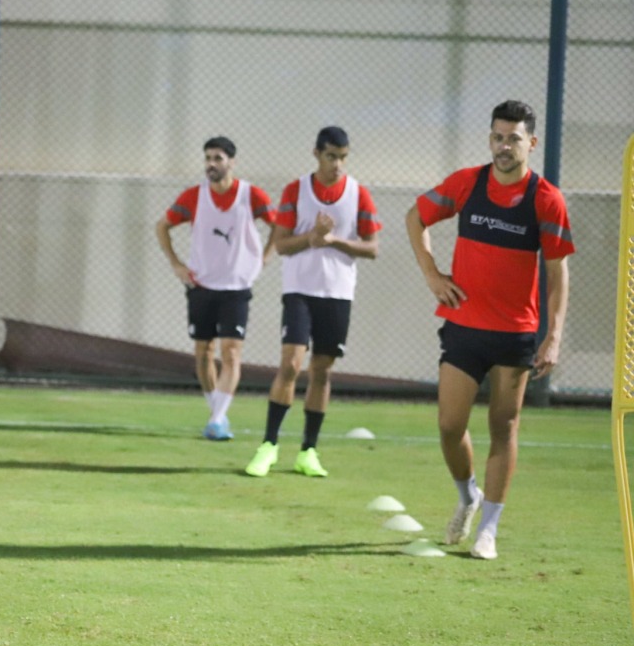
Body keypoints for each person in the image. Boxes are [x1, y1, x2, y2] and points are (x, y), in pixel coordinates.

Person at [405, 100, 573, 560]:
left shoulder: (546, 200)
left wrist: (553, 335)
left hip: (515, 334)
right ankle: (468, 497)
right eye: (498, 136)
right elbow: (415, 218)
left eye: (513, 138)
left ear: (531, 143)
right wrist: (433, 274)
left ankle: (489, 529)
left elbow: (558, 275)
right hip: (462, 327)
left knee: (504, 426)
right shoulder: (466, 184)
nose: (504, 146)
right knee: (448, 425)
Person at [243, 127, 381, 478]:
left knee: (322, 370)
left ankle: (308, 451)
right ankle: (269, 445)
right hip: (300, 290)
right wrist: (312, 238)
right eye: (331, 156)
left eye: (343, 157)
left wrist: (333, 240)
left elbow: (372, 247)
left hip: (337, 293)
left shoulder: (358, 193)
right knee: (291, 364)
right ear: (317, 154)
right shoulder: (296, 190)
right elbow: (283, 244)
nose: (337, 164)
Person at [155, 136, 277, 441]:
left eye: (218, 158)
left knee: (231, 352)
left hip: (236, 286)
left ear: (232, 162)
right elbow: (162, 226)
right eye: (208, 158)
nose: (212, 163)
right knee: (203, 352)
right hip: (202, 285)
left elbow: (280, 224)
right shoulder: (194, 196)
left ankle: (218, 418)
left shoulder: (251, 195)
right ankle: (216, 413)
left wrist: (264, 258)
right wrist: (176, 263)